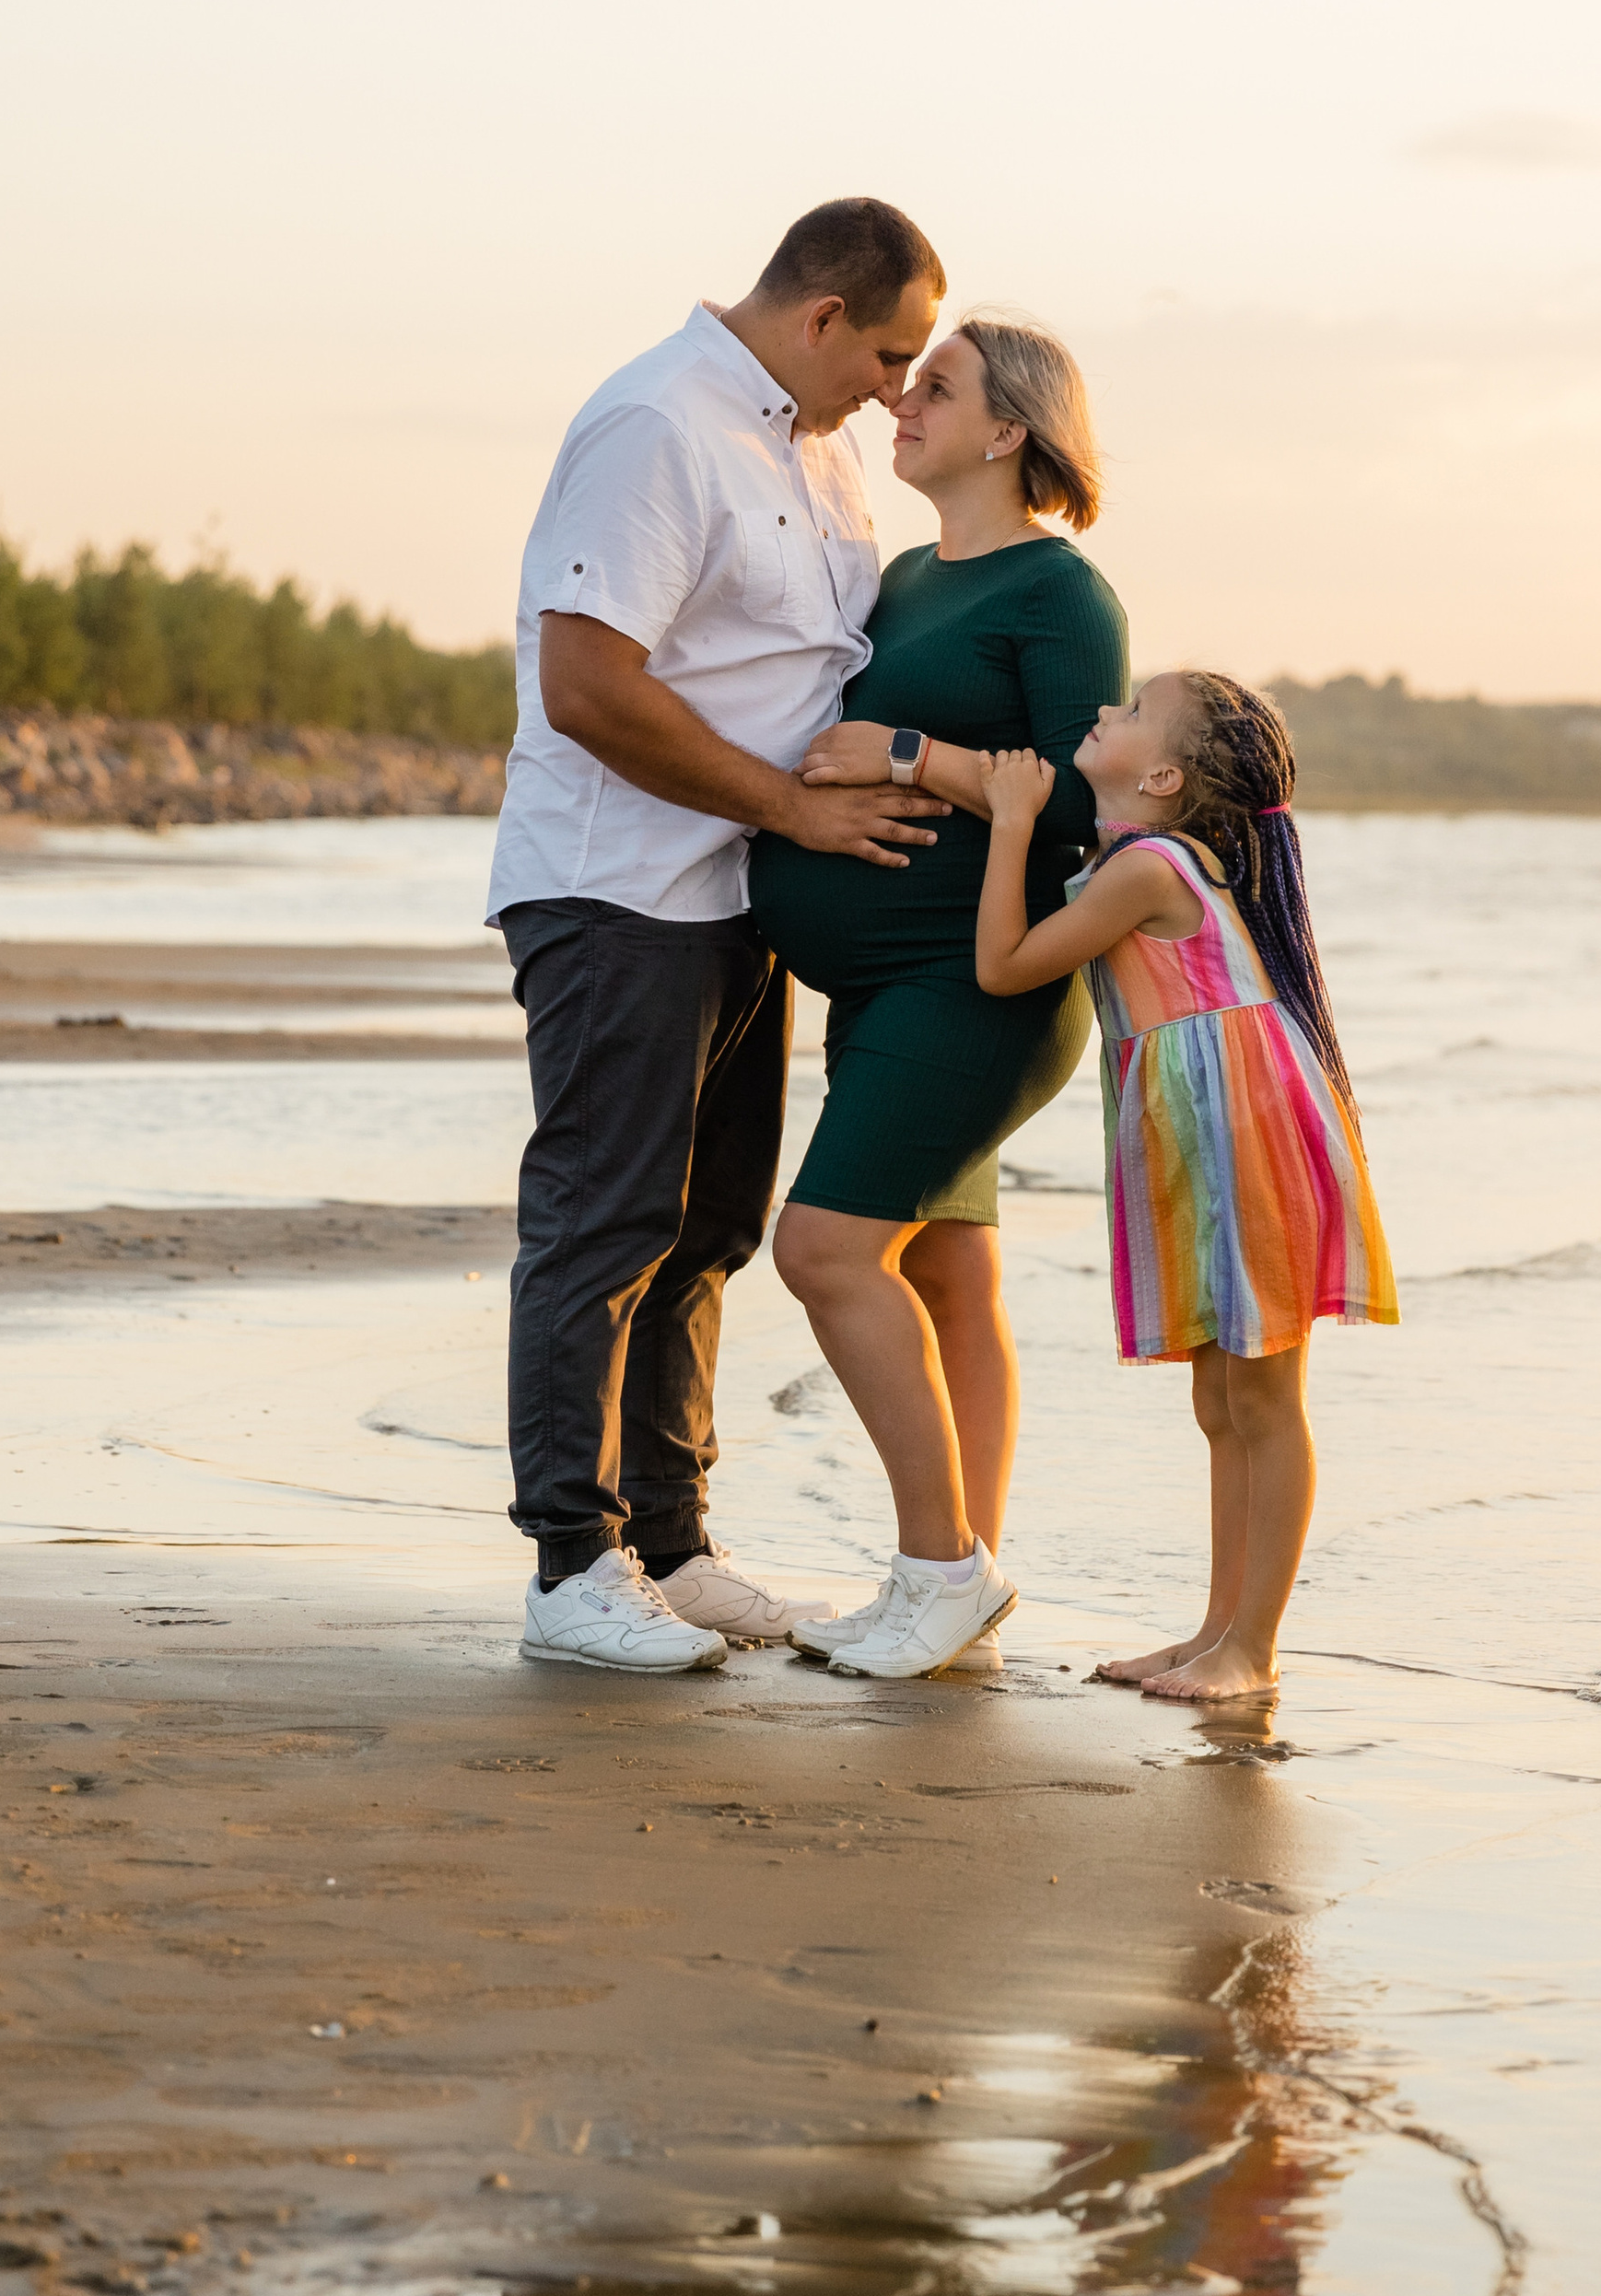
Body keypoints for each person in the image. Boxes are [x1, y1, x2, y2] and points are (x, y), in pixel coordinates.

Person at [491, 199, 956, 1676]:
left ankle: (671, 1546)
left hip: (737, 900)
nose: (897, 390)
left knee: (707, 1235)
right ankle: (573, 1568)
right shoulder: (658, 425)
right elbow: (587, 684)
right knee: (603, 1226)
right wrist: (794, 809)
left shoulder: (815, 455)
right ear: (822, 315)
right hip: (615, 888)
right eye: (889, 354)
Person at [742, 316, 1128, 1681]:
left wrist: (910, 750)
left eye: (938, 386)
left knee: (825, 1254)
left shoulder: (1060, 596)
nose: (902, 400)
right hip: (886, 985)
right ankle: (954, 1577)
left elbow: (1090, 801)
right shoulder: (906, 574)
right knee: (950, 1275)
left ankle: (938, 1572)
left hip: (981, 988)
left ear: (1009, 433)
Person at [971, 673, 1398, 1702]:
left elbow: (1003, 965)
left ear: (1160, 775)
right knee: (1220, 1399)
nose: (1102, 712)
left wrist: (1010, 819)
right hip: (1203, 1130)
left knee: (1262, 1395)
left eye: (1127, 712)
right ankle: (1218, 1629)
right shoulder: (1147, 860)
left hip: (1242, 1133)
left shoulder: (1151, 868)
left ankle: (1254, 1648)